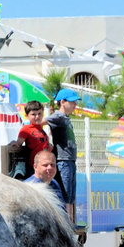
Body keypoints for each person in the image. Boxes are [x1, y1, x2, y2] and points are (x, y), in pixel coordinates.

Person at [46, 89, 80, 222]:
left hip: (70, 159)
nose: (74, 105)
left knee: (71, 195)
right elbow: (43, 121)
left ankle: (71, 222)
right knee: (66, 194)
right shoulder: (58, 116)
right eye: (72, 102)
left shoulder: (66, 118)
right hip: (63, 160)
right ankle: (67, 223)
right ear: (63, 102)